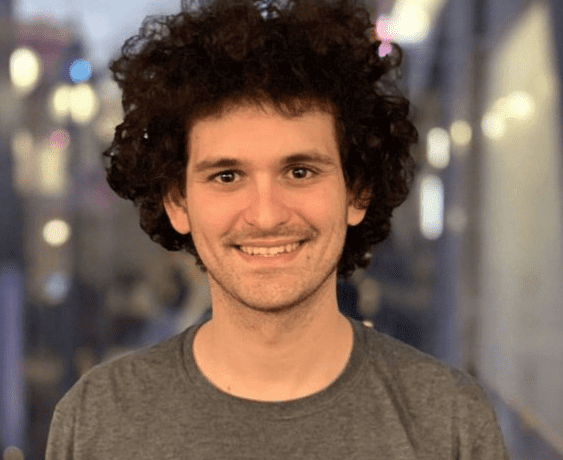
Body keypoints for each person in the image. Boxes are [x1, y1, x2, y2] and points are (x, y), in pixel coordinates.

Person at [46, 0, 509, 458]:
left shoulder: (449, 422)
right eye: (227, 176)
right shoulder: (98, 421)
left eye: (300, 172)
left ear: (357, 192)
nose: (266, 216)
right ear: (177, 203)